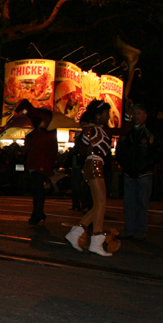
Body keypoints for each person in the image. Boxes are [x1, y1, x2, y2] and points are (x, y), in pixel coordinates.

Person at [65, 100, 123, 256]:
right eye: (105, 113)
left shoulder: (101, 129)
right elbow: (83, 147)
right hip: (93, 165)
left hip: (96, 166)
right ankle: (96, 242)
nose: (108, 116)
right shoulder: (91, 129)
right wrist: (84, 132)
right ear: (97, 116)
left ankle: (75, 233)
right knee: (101, 204)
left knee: (98, 205)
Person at [116, 103, 158, 240]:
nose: (137, 116)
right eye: (135, 113)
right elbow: (120, 151)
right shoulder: (127, 133)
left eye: (140, 113)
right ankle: (129, 229)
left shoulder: (149, 133)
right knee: (128, 203)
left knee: (142, 203)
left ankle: (140, 230)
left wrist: (146, 166)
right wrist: (124, 164)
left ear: (145, 116)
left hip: (144, 173)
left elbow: (156, 153)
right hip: (129, 173)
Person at [23, 123, 58, 225]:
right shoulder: (40, 132)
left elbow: (51, 149)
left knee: (38, 190)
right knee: (38, 190)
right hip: (36, 163)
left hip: (40, 164)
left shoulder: (45, 133)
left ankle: (37, 214)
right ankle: (38, 213)